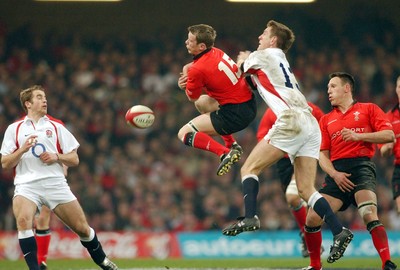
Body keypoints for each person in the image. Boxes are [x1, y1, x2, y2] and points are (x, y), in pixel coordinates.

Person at [221, 20, 353, 265]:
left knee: (249, 168)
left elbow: (240, 69)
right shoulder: (278, 60)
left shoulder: (265, 54)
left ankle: (250, 217)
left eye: (264, 33)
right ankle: (339, 231)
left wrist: (242, 57)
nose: (259, 36)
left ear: (273, 40)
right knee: (306, 190)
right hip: (309, 123)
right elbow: (253, 82)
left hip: (291, 119)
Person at [0, 85, 118, 270]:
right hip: (26, 185)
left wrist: (57, 156)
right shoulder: (14, 129)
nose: (44, 100)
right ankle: (35, 268)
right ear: (28, 104)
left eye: (45, 97)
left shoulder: (56, 126)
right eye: (39, 97)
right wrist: (22, 149)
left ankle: (103, 261)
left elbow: (74, 159)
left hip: (55, 183)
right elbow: (5, 163)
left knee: (82, 229)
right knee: (23, 221)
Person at [304, 72, 397, 270]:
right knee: (312, 217)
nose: (328, 91)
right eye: (328, 87)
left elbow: (389, 135)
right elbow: (322, 155)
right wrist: (334, 174)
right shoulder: (326, 120)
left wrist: (357, 137)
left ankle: (387, 262)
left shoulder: (368, 109)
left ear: (347, 88)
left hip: (361, 166)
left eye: (333, 86)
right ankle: (315, 266)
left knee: (368, 212)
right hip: (337, 172)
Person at [177, 24, 257, 176]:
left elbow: (191, 96)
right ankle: (232, 144)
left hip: (234, 115)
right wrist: (188, 71)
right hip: (248, 103)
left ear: (201, 46)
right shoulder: (216, 51)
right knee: (202, 103)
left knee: (184, 133)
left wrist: (184, 85)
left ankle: (223, 152)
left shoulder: (197, 70)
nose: (186, 43)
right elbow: (195, 75)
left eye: (190, 41)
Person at [256, 102, 324, 258]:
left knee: (293, 195)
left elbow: (324, 126)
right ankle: (311, 242)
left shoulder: (308, 107)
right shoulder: (271, 111)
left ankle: (308, 236)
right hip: (284, 160)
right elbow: (262, 137)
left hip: (303, 155)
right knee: (296, 201)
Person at [380, 75, 400, 214]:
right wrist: (388, 147)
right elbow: (383, 152)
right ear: (396, 90)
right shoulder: (388, 118)